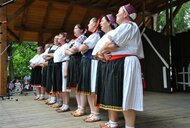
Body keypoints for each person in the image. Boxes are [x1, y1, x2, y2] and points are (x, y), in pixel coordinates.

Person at [95, 3, 144, 128]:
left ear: (125, 14)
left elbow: (112, 44)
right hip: (120, 62)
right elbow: (109, 44)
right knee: (122, 95)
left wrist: (101, 50)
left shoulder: (128, 25)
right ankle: (118, 124)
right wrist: (102, 52)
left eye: (118, 12)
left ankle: (129, 126)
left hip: (126, 62)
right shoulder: (123, 28)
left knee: (127, 96)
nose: (116, 14)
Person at [77, 17, 104, 121]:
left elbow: (82, 48)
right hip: (88, 62)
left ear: (94, 24)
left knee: (92, 89)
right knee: (89, 89)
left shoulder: (96, 35)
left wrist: (83, 48)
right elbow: (81, 49)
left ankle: (96, 113)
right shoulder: (93, 35)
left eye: (89, 23)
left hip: (92, 62)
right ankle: (93, 112)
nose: (88, 25)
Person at [65, 24, 91, 117]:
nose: (74, 30)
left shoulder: (83, 37)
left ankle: (82, 108)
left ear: (82, 30)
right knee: (76, 87)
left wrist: (70, 51)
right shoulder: (74, 40)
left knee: (80, 86)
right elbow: (66, 51)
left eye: (76, 28)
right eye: (74, 28)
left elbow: (74, 50)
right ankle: (79, 107)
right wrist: (70, 51)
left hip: (79, 62)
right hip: (73, 63)